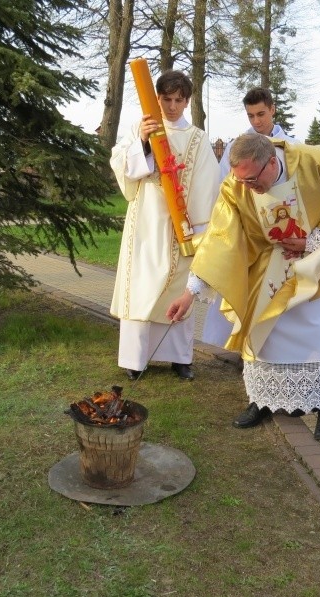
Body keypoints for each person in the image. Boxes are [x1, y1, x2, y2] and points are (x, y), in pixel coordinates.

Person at [167, 133, 320, 441]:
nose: (248, 188)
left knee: (315, 332)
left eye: (253, 180)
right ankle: (263, 400)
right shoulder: (235, 186)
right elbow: (219, 240)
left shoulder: (316, 161)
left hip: (314, 261)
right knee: (263, 333)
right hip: (267, 266)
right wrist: (191, 292)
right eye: (242, 181)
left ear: (272, 162)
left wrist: (310, 241)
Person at [110, 70, 220, 381]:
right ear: (156, 98)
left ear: (187, 101)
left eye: (178, 100)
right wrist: (143, 142)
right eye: (166, 99)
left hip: (180, 223)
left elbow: (207, 182)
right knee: (141, 286)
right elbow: (120, 164)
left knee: (178, 285)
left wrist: (194, 226)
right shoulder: (141, 127)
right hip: (145, 220)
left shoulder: (198, 138)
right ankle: (135, 359)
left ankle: (180, 358)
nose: (172, 106)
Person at [203, 87, 300, 347]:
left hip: (282, 228)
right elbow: (225, 186)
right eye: (250, 116)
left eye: (261, 114)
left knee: (277, 291)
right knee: (246, 289)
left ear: (272, 110)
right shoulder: (237, 146)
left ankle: (273, 345)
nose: (256, 121)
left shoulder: (293, 146)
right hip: (248, 228)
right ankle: (241, 343)